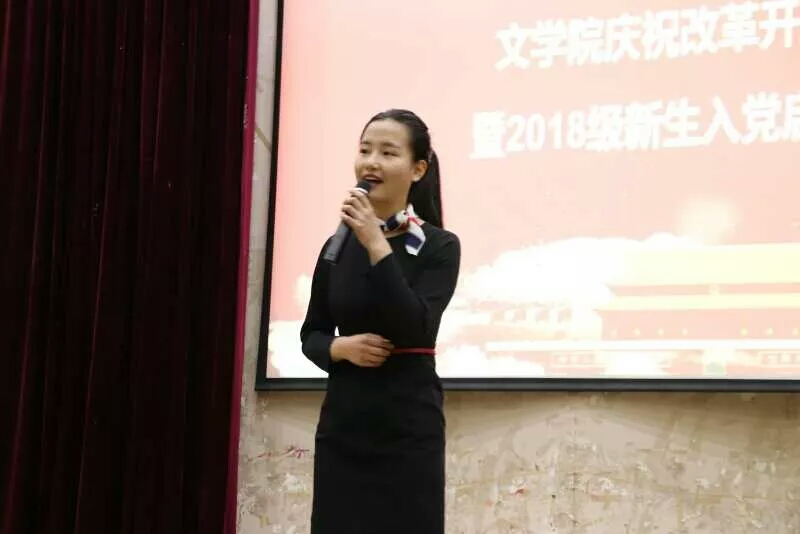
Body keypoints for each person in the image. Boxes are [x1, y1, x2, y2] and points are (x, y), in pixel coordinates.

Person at [300, 109, 461, 534]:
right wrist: (339, 347)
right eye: (365, 150)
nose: (371, 162)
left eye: (388, 153)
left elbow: (416, 325)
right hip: (345, 425)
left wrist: (376, 242)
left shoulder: (439, 246)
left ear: (418, 169)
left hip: (408, 427)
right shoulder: (336, 247)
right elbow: (312, 334)